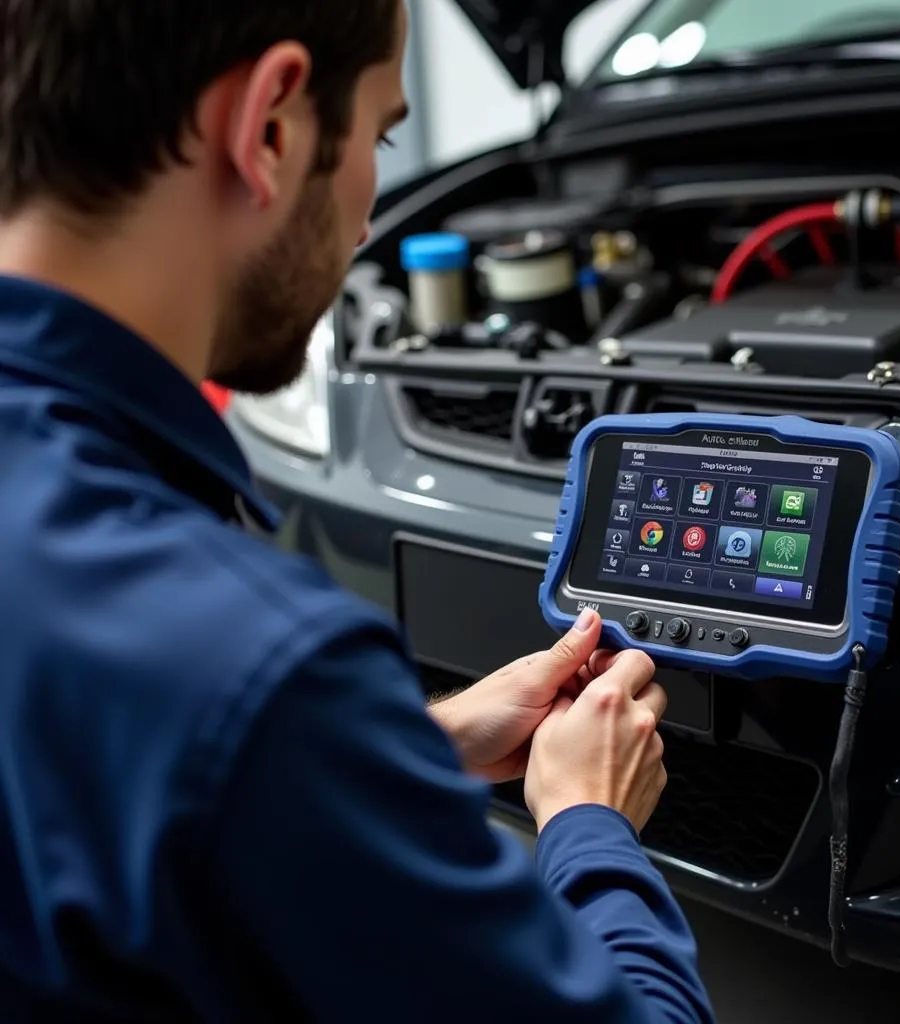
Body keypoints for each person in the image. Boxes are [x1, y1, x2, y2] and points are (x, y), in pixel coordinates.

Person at [0, 2, 714, 1021]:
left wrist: (401, 752)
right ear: (272, 127)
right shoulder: (258, 665)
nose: (375, 212)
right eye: (380, 133)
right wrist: (588, 822)